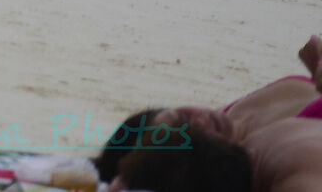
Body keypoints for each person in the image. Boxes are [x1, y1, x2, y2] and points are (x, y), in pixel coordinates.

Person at [97, 33, 322, 191]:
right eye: (189, 138)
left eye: (181, 118)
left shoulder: (234, 118)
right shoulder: (258, 167)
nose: (201, 124)